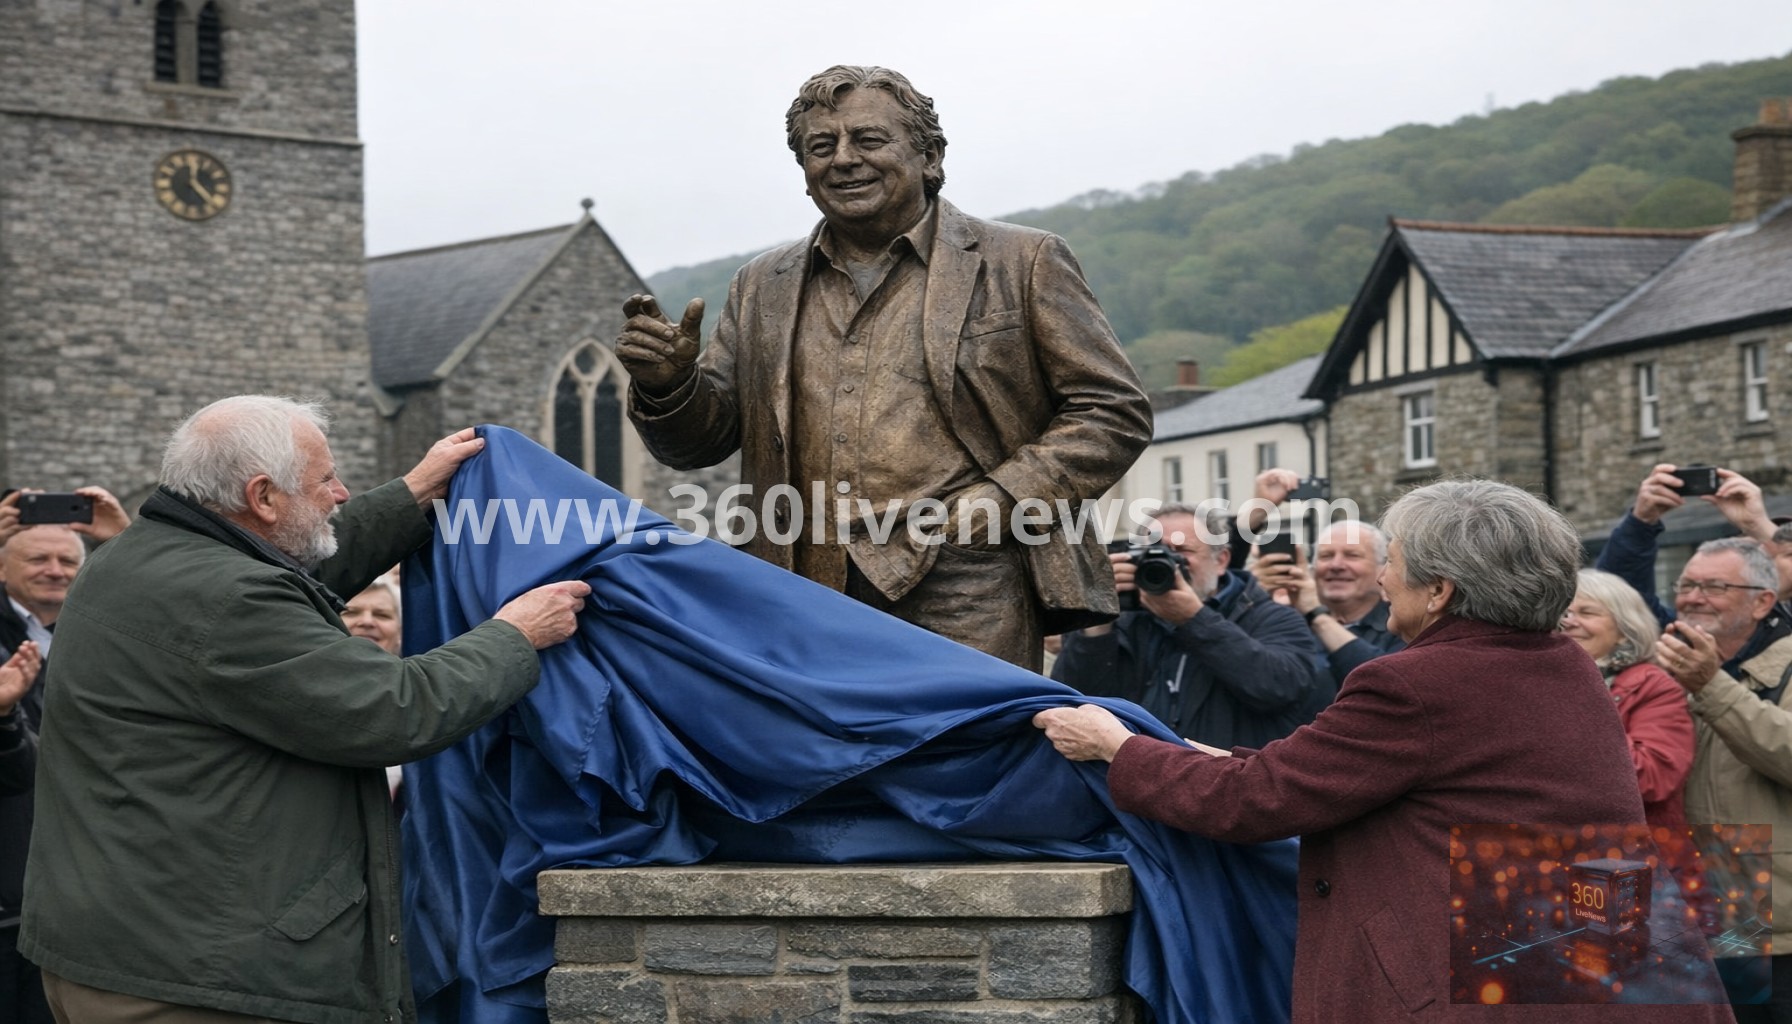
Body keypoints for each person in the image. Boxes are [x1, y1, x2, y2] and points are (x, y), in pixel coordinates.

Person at [1034, 479, 1733, 1023]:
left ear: (1441, 591)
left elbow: (1258, 802)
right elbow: (1333, 773)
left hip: (1468, 986)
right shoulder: (1559, 664)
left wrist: (1118, 748)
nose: (1381, 578)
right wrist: (1191, 752)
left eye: (1390, 562)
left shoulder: (1417, 683)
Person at [19, 396, 591, 1022]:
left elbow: (293, 573)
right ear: (262, 496)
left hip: (137, 948)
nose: (343, 493)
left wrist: (411, 493)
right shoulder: (227, 597)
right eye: (326, 480)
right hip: (199, 982)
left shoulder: (147, 556)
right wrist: (514, 634)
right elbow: (395, 709)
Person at [617, 65, 1152, 672]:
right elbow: (700, 444)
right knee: (817, 764)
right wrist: (669, 386)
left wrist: (1003, 499)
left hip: (968, 588)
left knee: (963, 759)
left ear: (930, 156)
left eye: (868, 140)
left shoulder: (1022, 260)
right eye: (822, 146)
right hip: (799, 588)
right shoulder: (762, 284)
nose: (844, 159)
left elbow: (1112, 411)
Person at [0, 489, 129, 1024]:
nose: (54, 571)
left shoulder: (107, 631)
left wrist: (126, 544)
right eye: (37, 558)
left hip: (79, 901)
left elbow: (178, 610)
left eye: (67, 561)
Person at [1051, 503, 1326, 749]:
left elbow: (1278, 688)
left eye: (1180, 551)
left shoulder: (1272, 617)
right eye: (1153, 552)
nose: (1169, 563)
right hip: (1132, 784)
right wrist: (1100, 618)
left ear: (1221, 560)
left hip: (1224, 786)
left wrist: (1193, 619)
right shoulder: (1125, 620)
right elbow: (1075, 701)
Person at [1654, 537, 1792, 1021]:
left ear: (1763, 602)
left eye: (1715, 586)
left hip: (1780, 933)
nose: (1693, 597)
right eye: (1687, 584)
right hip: (1699, 923)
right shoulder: (1663, 668)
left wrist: (1712, 687)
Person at [1253, 517, 1404, 686]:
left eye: (1352, 555)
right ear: (1311, 569)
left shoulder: (1402, 624)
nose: (1336, 565)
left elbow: (1389, 683)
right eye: (1326, 556)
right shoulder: (1286, 621)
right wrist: (1253, 595)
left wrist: (1317, 616)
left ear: (1382, 568)